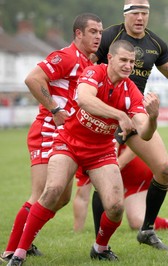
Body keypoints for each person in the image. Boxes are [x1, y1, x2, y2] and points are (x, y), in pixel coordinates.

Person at [7, 40, 158, 265]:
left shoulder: (131, 91)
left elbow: (144, 132)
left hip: (101, 152)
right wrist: (119, 115)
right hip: (69, 143)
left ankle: (100, 248)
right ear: (110, 59)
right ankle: (18, 254)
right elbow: (85, 100)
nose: (128, 66)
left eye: (131, 62)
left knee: (116, 207)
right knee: (52, 191)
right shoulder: (93, 72)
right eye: (124, 60)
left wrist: (153, 118)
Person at [1, 13, 103, 262]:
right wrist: (55, 109)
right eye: (92, 31)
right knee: (42, 193)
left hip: (67, 136)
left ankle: (28, 237)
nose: (98, 36)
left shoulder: (88, 64)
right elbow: (32, 79)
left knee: (62, 197)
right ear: (78, 33)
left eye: (100, 32)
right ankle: (11, 251)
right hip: (48, 130)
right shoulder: (66, 56)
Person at [90, 0, 168, 250]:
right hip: (103, 114)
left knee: (165, 170)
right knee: (100, 179)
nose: (140, 18)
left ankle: (146, 230)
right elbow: (86, 68)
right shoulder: (109, 37)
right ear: (125, 14)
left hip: (135, 112)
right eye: (135, 13)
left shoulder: (156, 44)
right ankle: (100, 242)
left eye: (144, 13)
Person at [73, 144, 168, 232]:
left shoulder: (114, 124)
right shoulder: (87, 153)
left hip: (156, 165)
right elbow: (81, 195)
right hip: (134, 183)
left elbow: (137, 142)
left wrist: (118, 163)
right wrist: (77, 231)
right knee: (137, 222)